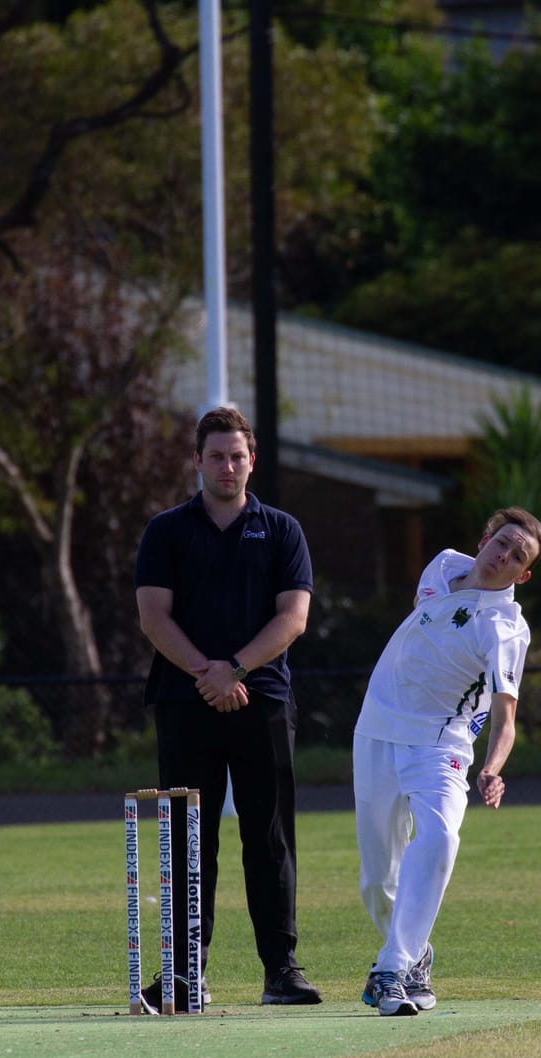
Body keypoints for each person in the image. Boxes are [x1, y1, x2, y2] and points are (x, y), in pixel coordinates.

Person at [133, 406, 321, 1006]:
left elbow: (293, 618)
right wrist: (206, 673)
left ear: (252, 460)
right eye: (216, 455)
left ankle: (281, 972)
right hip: (184, 701)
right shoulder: (166, 530)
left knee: (268, 837)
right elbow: (152, 617)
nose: (227, 466)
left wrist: (235, 669)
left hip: (260, 699)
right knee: (191, 840)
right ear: (197, 461)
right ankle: (187, 974)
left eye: (237, 455)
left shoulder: (283, 529)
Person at [353, 508, 541, 1016]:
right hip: (375, 727)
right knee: (377, 881)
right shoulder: (440, 565)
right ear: (484, 539)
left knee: (439, 839)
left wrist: (494, 767)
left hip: (440, 745)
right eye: (502, 543)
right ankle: (415, 957)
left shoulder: (505, 628)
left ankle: (391, 969)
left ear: (522, 576)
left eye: (517, 557)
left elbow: (506, 715)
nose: (503, 555)